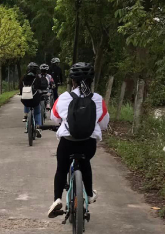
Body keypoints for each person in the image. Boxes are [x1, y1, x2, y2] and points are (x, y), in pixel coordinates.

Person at [47, 62, 109, 218]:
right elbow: (103, 123)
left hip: (67, 142)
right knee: (85, 162)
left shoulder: (63, 98)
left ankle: (57, 199)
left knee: (61, 169)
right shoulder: (98, 99)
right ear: (91, 81)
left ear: (72, 81)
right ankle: (88, 194)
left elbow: (54, 117)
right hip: (88, 144)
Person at [20, 62, 44, 137]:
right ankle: (38, 127)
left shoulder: (23, 78)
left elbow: (20, 88)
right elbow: (41, 87)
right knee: (37, 112)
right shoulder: (37, 78)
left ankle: (26, 116)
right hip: (35, 99)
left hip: (25, 99)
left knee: (26, 100)